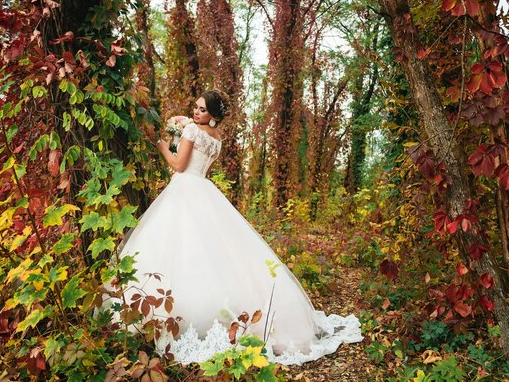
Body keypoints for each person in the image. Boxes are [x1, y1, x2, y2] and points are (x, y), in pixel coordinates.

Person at [113, 90, 363, 365]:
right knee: (213, 251)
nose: (196, 113)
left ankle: (170, 319)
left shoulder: (192, 131)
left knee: (179, 248)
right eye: (195, 108)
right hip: (205, 191)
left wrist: (163, 144)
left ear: (213, 116)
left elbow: (179, 165)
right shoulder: (216, 139)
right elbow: (199, 165)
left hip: (185, 189)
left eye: (202, 110)